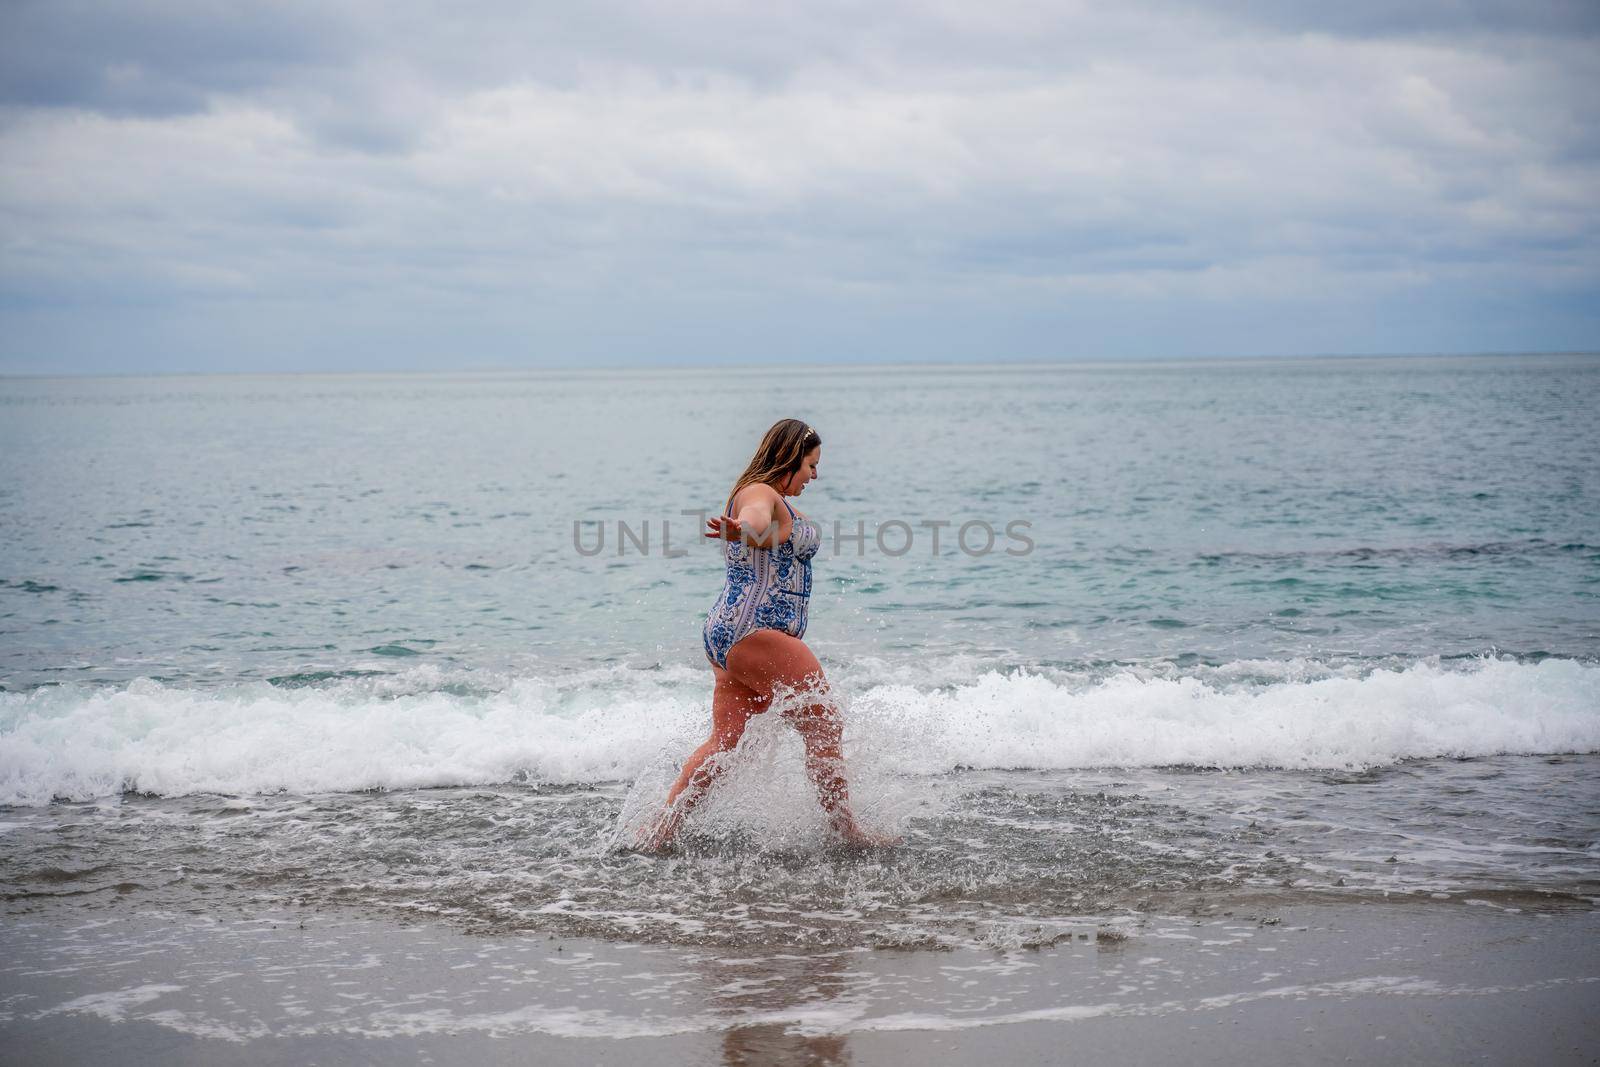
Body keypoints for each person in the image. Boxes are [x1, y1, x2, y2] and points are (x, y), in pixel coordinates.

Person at [640, 418, 886, 851]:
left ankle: (662, 830)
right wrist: (745, 530)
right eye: (810, 465)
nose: (815, 475)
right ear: (788, 458)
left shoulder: (776, 501)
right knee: (825, 724)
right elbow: (755, 522)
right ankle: (847, 832)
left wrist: (759, 532)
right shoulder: (759, 493)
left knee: (724, 742)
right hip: (756, 630)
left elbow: (777, 534)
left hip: (727, 631)